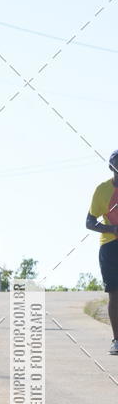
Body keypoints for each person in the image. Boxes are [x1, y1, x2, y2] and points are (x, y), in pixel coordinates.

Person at [86, 150, 118, 354]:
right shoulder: (102, 190)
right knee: (115, 293)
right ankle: (116, 340)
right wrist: (112, 229)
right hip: (110, 246)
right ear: (110, 167)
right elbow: (90, 222)